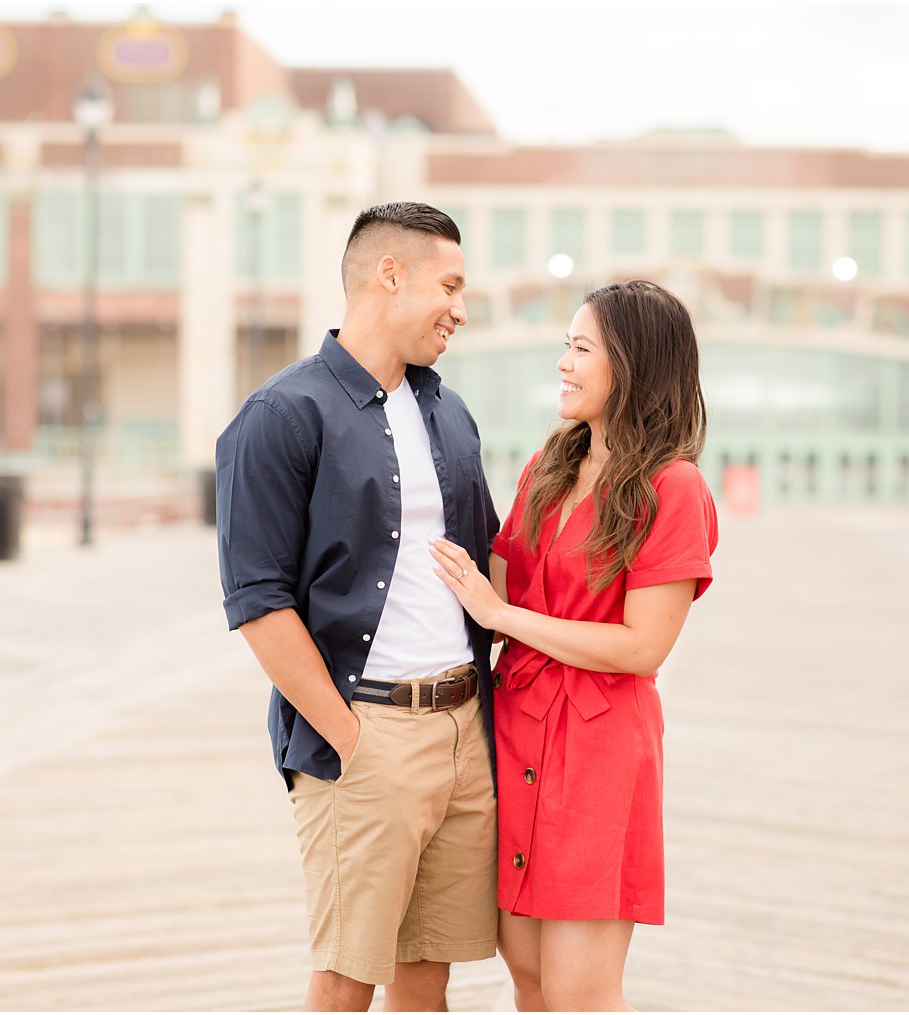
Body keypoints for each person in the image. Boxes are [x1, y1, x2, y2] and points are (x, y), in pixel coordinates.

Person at [215, 202, 501, 1011]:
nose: (461, 308)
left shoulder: (446, 409)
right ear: (389, 276)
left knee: (426, 980)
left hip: (463, 729)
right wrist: (351, 738)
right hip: (365, 737)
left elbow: (488, 557)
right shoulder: (279, 417)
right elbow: (259, 603)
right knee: (345, 984)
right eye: (449, 284)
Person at [430, 280, 718, 1011]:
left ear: (634, 363)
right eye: (566, 344)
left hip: (597, 746)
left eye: (581, 348)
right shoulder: (548, 466)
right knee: (527, 977)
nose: (563, 362)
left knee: (578, 992)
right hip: (517, 728)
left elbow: (641, 647)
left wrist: (506, 617)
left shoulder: (672, 487)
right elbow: (487, 587)